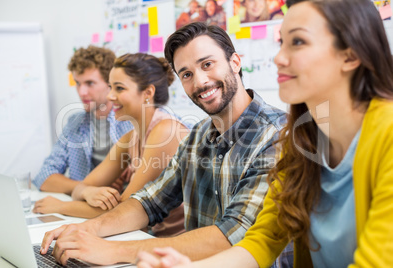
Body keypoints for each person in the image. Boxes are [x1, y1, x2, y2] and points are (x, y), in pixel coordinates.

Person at [136, 0, 393, 267]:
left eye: (299, 42)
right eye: (282, 43)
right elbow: (263, 240)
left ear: (350, 55)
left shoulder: (386, 135)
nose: (279, 58)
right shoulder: (302, 139)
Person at [39, 22, 291, 267]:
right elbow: (150, 201)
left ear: (235, 62)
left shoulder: (278, 135)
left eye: (207, 64)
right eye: (187, 74)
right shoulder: (199, 135)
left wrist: (112, 250)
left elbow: (233, 235)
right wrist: (84, 230)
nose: (200, 82)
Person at [33, 53, 190, 237]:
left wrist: (61, 206)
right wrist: (89, 191)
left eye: (119, 88)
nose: (110, 96)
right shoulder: (130, 138)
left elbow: (124, 211)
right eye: (111, 88)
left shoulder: (166, 131)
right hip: (146, 237)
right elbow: (81, 188)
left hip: (177, 247)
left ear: (147, 93)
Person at [32, 46, 133, 194]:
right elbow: (44, 176)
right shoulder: (75, 124)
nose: (81, 92)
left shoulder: (134, 119)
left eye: (90, 83)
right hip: (89, 206)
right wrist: (89, 188)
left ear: (110, 84)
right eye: (78, 83)